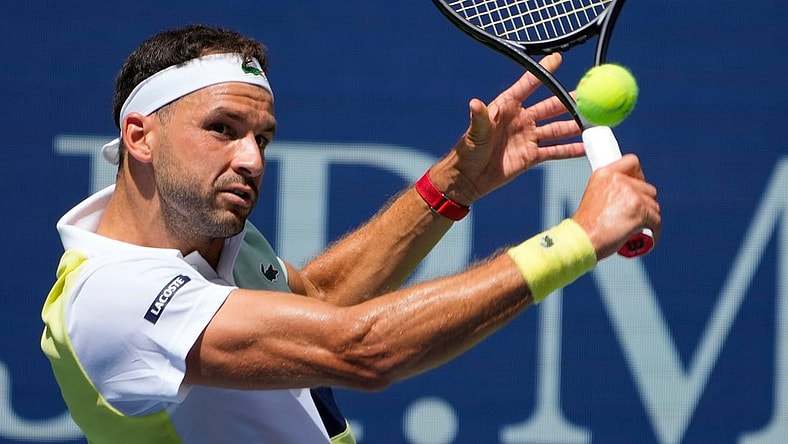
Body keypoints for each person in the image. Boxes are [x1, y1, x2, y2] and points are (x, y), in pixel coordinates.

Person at [40, 24, 660, 444]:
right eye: (223, 129)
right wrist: (580, 237)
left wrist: (454, 183)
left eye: (261, 137)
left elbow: (316, 303)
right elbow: (359, 350)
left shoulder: (210, 236)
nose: (252, 160)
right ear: (139, 136)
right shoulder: (112, 298)